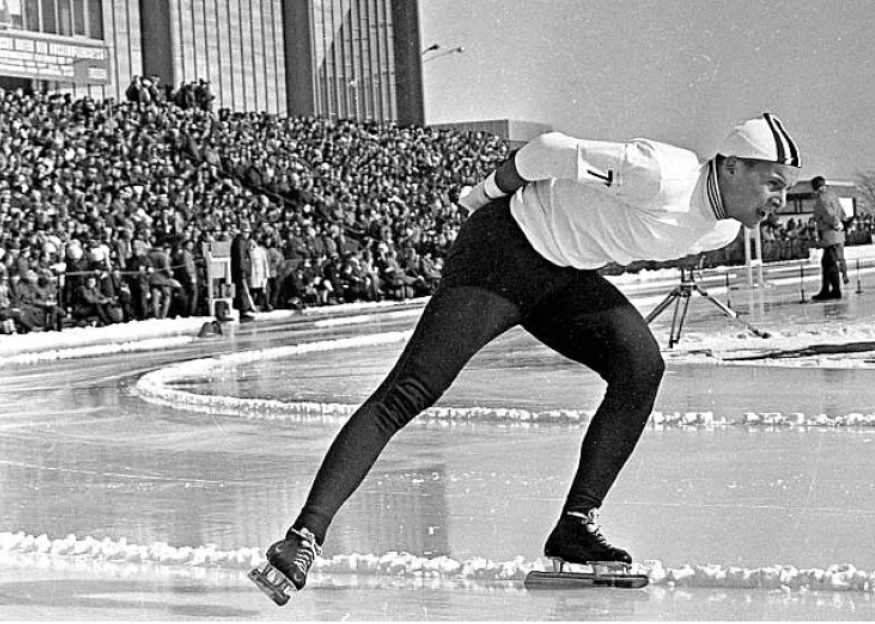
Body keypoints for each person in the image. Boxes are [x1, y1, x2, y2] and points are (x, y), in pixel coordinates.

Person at [250, 113, 802, 605]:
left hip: (562, 275)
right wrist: (485, 193)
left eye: (786, 188)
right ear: (729, 166)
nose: (778, 199)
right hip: (503, 251)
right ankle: (302, 538)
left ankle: (575, 525)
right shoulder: (663, 173)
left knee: (641, 366)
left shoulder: (724, 226)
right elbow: (551, 150)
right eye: (773, 183)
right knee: (410, 392)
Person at [809, 176, 846, 300]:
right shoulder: (832, 195)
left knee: (829, 263)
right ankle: (829, 289)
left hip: (830, 234)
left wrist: (836, 223)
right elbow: (841, 211)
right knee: (828, 262)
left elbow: (828, 213)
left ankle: (834, 290)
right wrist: (841, 222)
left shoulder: (822, 198)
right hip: (836, 234)